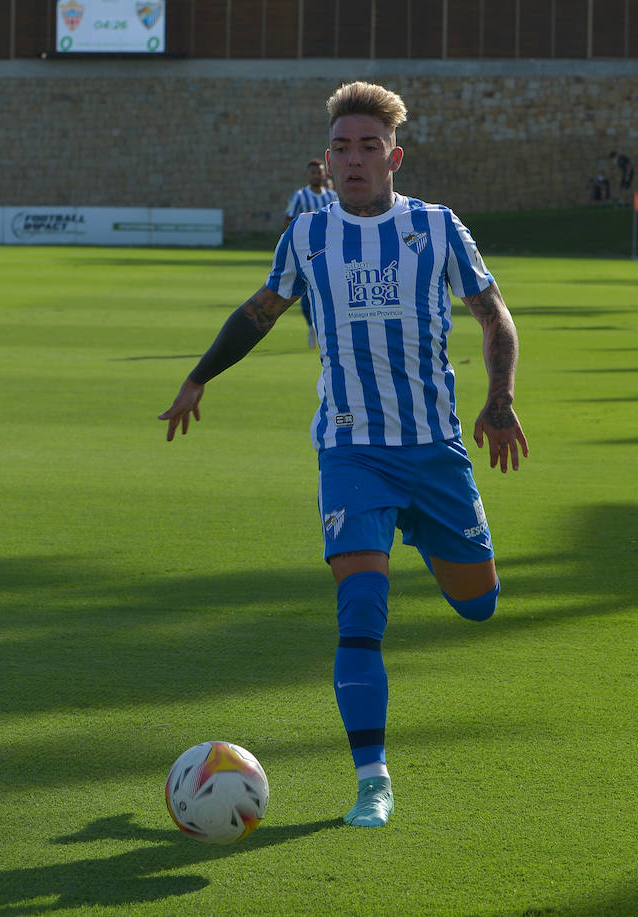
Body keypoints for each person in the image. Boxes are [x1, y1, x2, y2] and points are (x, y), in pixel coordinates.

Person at [158, 81, 527, 829]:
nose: (353, 159)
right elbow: (261, 311)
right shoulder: (309, 234)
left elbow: (493, 314)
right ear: (328, 157)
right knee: (360, 613)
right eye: (341, 147)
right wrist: (199, 376)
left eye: (368, 147)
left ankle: (421, 528)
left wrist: (498, 399)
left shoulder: (435, 227)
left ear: (394, 156)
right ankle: (372, 782)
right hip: (350, 449)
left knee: (479, 604)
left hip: (434, 449)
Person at [285, 159, 338, 349]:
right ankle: (311, 326)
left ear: (325, 174)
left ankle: (327, 328)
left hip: (329, 251)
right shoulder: (300, 196)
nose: (317, 175)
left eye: (320, 172)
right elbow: (289, 219)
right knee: (305, 291)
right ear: (308, 175)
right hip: (306, 252)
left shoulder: (332, 196)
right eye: (313, 172)